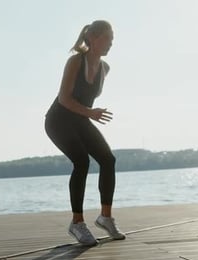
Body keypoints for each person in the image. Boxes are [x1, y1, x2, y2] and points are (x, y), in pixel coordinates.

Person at [44, 20, 125, 246]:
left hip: (80, 119)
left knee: (108, 160)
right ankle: (77, 223)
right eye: (107, 38)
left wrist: (88, 114)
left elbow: (86, 98)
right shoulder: (75, 61)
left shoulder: (104, 69)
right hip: (58, 120)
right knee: (81, 161)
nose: (110, 43)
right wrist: (91, 113)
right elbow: (64, 99)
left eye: (112, 39)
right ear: (93, 38)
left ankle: (105, 218)